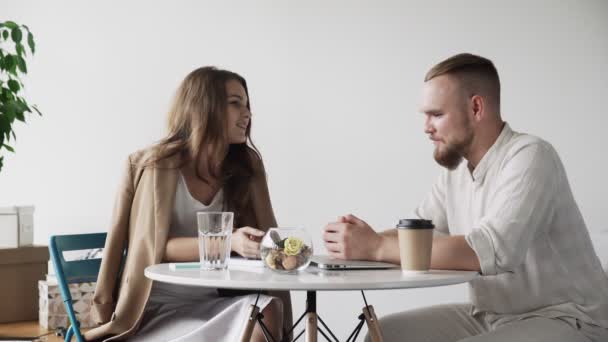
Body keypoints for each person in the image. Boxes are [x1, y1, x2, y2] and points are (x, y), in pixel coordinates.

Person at [323, 53, 608, 342]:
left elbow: (492, 249)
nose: (426, 126)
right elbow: (416, 235)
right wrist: (359, 241)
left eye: (436, 114)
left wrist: (375, 247)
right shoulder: (456, 174)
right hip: (489, 316)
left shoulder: (531, 155)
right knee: (383, 336)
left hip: (568, 318)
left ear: (475, 107)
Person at [85, 67, 292, 342]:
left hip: (213, 301)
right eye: (235, 103)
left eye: (247, 105)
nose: (247, 114)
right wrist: (228, 242)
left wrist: (266, 245)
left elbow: (267, 229)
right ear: (204, 107)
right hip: (152, 309)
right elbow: (153, 247)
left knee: (268, 310)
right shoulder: (153, 166)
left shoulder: (247, 165)